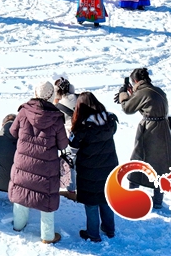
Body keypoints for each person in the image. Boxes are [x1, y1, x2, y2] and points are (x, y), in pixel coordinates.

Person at [10, 80, 67, 244]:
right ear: (51, 96)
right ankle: (47, 236)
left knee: (22, 192)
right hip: (46, 166)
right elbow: (63, 144)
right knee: (46, 198)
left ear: (35, 93)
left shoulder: (23, 111)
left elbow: (13, 131)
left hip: (23, 162)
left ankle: (18, 225)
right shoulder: (56, 118)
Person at [117, 67, 171, 210]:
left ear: (135, 81)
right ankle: (158, 201)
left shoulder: (143, 92)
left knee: (138, 160)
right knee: (161, 165)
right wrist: (133, 94)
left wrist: (123, 94)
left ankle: (132, 196)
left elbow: (127, 108)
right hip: (163, 129)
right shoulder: (157, 90)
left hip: (150, 130)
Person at [68, 92, 119, 242]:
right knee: (106, 199)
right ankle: (109, 229)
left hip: (89, 170)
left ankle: (93, 234)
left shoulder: (83, 128)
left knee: (91, 203)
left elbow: (73, 145)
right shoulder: (110, 121)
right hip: (109, 167)